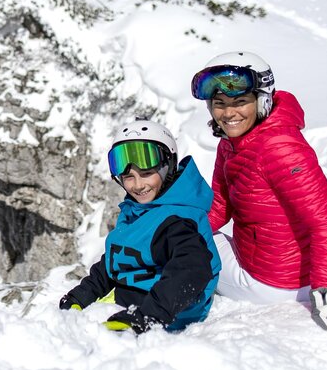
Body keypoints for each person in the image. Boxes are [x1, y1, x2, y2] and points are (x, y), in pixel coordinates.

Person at [190, 51, 327, 344]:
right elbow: (221, 206)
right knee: (180, 232)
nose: (228, 113)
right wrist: (183, 231)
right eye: (219, 104)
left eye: (239, 102)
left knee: (177, 244)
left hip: (272, 284)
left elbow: (326, 223)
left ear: (262, 100)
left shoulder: (281, 148)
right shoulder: (234, 143)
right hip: (260, 263)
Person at [59, 119, 221, 333]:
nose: (138, 185)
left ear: (167, 168)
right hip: (137, 305)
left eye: (146, 174)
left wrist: (146, 316)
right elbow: (116, 260)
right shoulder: (139, 209)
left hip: (167, 314)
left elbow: (192, 268)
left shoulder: (177, 220)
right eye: (129, 177)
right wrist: (80, 296)